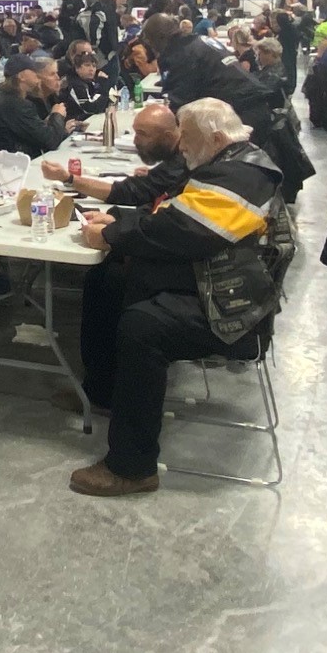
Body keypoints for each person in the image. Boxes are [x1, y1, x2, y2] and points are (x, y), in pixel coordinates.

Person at [69, 98, 287, 496]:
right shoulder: (228, 162)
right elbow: (173, 210)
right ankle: (104, 392)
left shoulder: (243, 174)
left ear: (216, 137)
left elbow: (186, 231)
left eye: (187, 136)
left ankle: (132, 467)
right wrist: (119, 220)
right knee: (107, 279)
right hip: (215, 280)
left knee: (143, 327)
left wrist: (114, 233)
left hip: (231, 306)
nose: (181, 144)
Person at [40, 101, 185, 206]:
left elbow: (125, 193)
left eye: (142, 134)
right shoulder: (176, 155)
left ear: (167, 136)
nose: (135, 140)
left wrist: (68, 178)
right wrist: (153, 174)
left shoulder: (181, 164)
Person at [0, 54, 73, 156]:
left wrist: (47, 124)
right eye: (33, 71)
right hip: (18, 163)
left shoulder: (6, 99)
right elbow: (50, 141)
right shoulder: (16, 105)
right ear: (22, 76)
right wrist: (57, 115)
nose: (37, 75)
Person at [60, 43, 114, 120]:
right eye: (87, 65)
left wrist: (109, 92)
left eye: (94, 66)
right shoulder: (75, 83)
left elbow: (103, 96)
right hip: (75, 123)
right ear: (77, 68)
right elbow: (91, 109)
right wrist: (103, 88)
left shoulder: (90, 81)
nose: (91, 69)